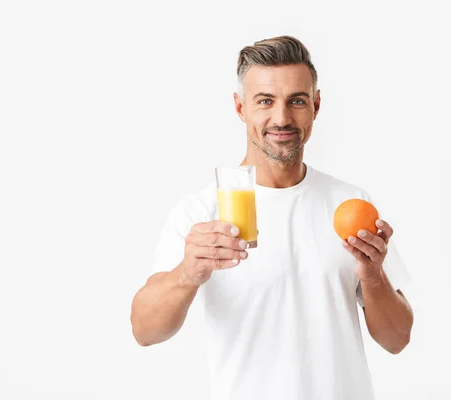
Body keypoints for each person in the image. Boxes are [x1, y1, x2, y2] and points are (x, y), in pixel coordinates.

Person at [130, 35, 414, 400]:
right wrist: (187, 272)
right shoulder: (201, 212)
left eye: (296, 101)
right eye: (265, 101)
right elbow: (144, 330)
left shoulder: (350, 203)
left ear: (316, 105)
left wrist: (373, 276)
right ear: (240, 108)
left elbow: (398, 339)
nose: (281, 118)